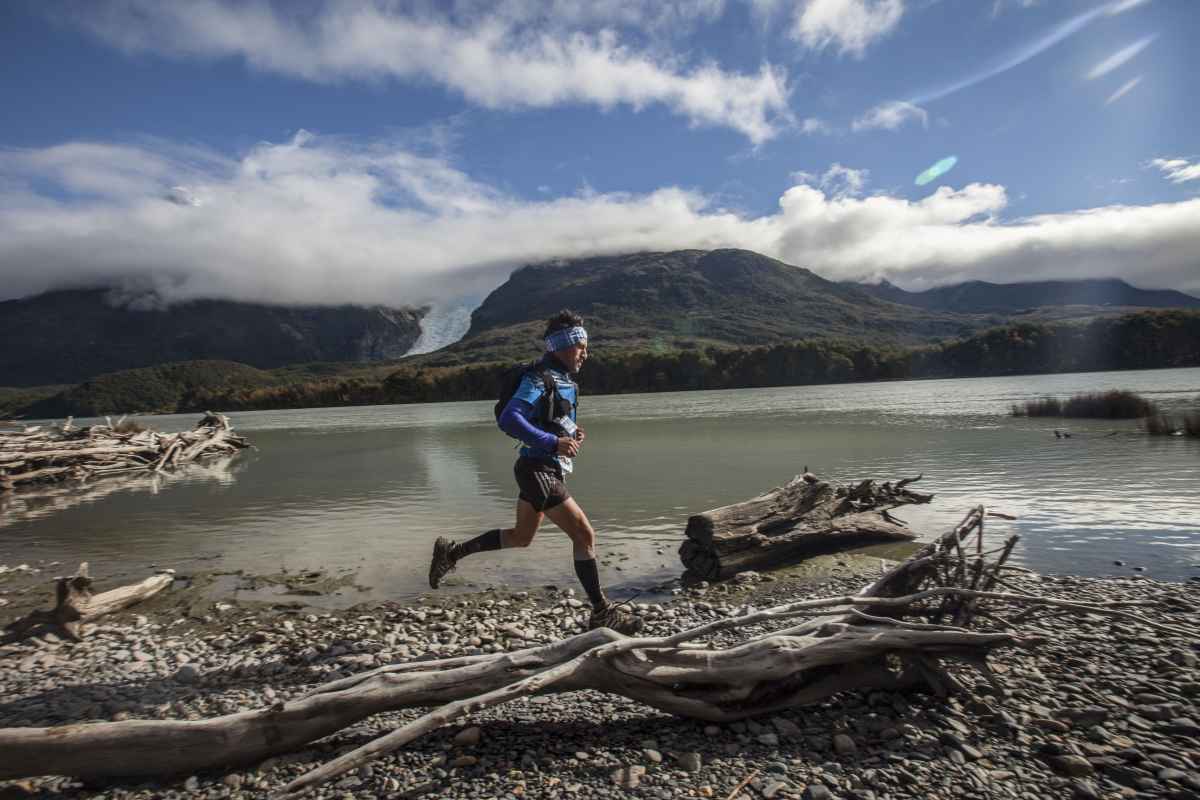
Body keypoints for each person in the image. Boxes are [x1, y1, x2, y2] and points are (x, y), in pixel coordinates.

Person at [427, 310, 643, 635]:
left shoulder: (564, 381)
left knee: (521, 537)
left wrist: (569, 434)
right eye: (581, 347)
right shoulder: (538, 378)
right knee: (584, 535)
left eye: (586, 347)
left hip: (541, 468)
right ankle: (601, 612)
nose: (585, 353)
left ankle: (452, 553)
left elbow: (548, 420)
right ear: (562, 345)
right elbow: (510, 418)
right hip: (538, 470)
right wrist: (553, 442)